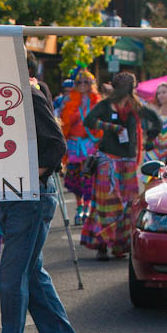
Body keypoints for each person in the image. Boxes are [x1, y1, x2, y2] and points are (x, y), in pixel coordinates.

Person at [0, 54, 83, 333]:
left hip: (29, 197)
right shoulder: (14, 94)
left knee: (11, 275)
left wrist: (27, 179)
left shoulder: (29, 95)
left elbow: (55, 145)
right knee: (30, 273)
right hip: (19, 196)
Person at [80, 72, 144, 261]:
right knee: (107, 204)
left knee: (126, 205)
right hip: (108, 162)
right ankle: (102, 244)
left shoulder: (135, 106)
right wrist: (110, 126)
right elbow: (89, 121)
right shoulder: (106, 105)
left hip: (128, 163)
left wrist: (154, 133)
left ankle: (119, 245)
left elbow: (150, 122)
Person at [60, 70, 102, 225]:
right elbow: (65, 123)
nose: (83, 85)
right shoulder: (69, 100)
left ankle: (87, 207)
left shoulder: (96, 101)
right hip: (73, 144)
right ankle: (79, 207)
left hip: (89, 144)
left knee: (88, 177)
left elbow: (99, 124)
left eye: (86, 82)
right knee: (75, 178)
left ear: (92, 84)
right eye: (79, 82)